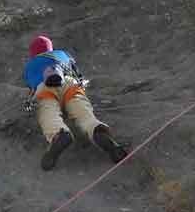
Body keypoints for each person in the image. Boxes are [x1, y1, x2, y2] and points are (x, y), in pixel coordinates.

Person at [22, 35, 127, 170]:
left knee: (48, 113)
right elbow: (78, 75)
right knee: (83, 113)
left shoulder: (30, 66)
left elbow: (31, 88)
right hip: (70, 84)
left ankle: (59, 134)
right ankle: (96, 129)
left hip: (44, 87)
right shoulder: (62, 55)